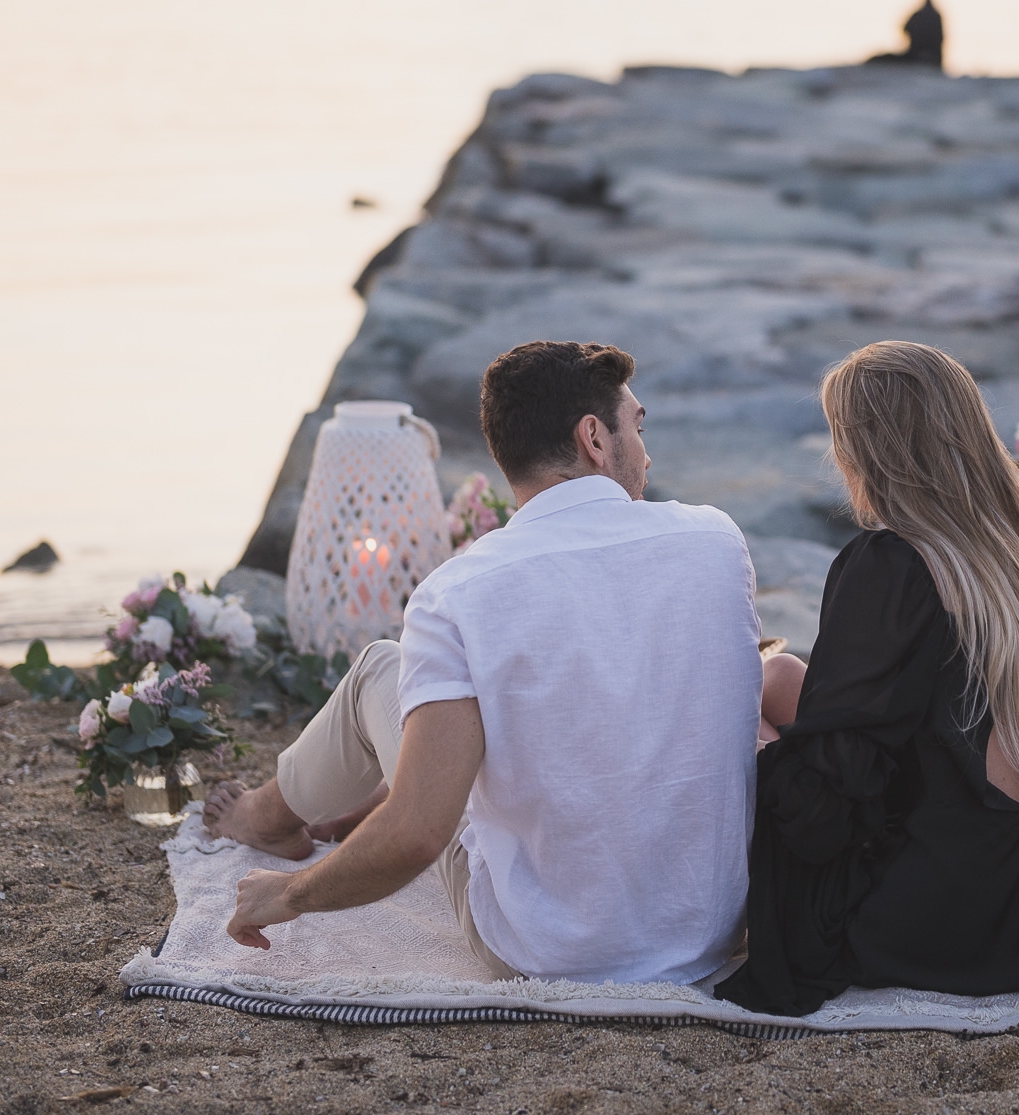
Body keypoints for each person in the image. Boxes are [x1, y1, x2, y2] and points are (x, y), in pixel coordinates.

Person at [211, 341, 763, 984]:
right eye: (637, 428)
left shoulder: (458, 592)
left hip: (545, 949)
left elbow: (419, 831)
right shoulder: (716, 541)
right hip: (707, 934)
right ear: (593, 438)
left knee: (380, 669)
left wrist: (286, 894)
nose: (646, 453)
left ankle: (266, 818)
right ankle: (302, 811)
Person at [717, 340, 1019, 1016]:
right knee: (779, 672)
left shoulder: (892, 564)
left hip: (929, 923)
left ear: (870, 451)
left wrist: (749, 751)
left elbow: (832, 796)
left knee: (744, 721)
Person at [863, 0, 945, 69]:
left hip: (920, 55)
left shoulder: (918, 15)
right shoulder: (935, 15)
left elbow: (905, 28)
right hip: (923, 55)